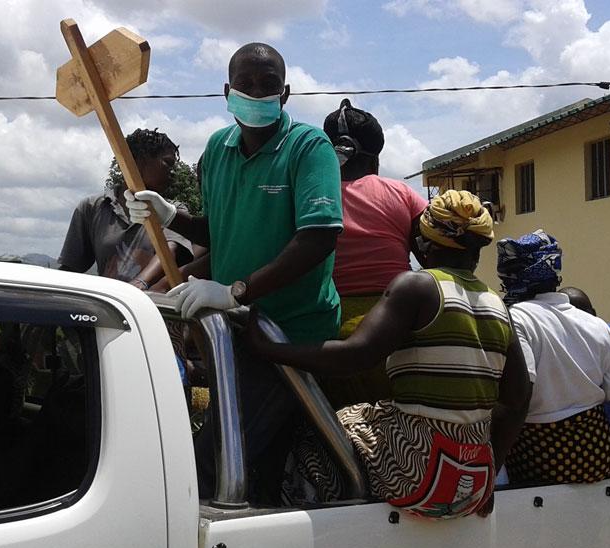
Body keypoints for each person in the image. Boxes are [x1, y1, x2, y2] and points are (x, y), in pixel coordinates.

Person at [128, 43, 343, 500]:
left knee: (219, 459)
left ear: (285, 95)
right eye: (246, 85)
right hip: (235, 331)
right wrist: (172, 217)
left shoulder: (308, 147)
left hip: (290, 335)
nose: (256, 94)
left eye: (268, 86)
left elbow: (317, 237)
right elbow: (222, 227)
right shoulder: (217, 150)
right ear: (227, 91)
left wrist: (236, 291)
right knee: (255, 459)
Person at [249, 190, 531, 518]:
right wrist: (488, 478)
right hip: (472, 480)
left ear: (424, 244)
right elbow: (518, 399)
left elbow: (356, 356)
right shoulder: (497, 304)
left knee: (316, 434)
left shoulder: (416, 287)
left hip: (416, 475)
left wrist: (272, 349)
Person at [496, 231, 610, 487]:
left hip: (535, 455)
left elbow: (519, 398)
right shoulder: (596, 325)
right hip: (596, 457)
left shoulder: (515, 318)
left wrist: (493, 463)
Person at [318, 99, 428, 408]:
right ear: (376, 159)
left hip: (329, 335)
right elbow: (432, 254)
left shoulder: (312, 196)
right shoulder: (402, 193)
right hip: (396, 329)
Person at [59, 128, 194, 288]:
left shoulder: (174, 211)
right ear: (138, 161)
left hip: (157, 307)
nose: (172, 173)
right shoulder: (93, 208)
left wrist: (138, 285)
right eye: (167, 163)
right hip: (112, 306)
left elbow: (169, 249)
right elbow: (70, 267)